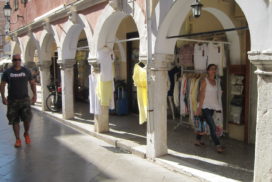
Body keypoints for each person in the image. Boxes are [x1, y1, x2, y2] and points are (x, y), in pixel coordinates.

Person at [0, 54, 37, 148]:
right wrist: (3, 97)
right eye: (15, 60)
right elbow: (3, 85)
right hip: (12, 101)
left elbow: (32, 83)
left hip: (24, 99)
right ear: (12, 61)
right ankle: (18, 139)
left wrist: (35, 95)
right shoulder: (7, 72)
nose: (17, 61)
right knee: (14, 121)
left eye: (19, 59)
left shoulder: (26, 71)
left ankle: (26, 133)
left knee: (27, 119)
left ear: (21, 60)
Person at [195, 64, 224, 153]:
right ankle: (218, 145)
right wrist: (199, 107)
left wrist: (217, 107)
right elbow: (201, 94)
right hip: (204, 107)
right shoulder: (205, 81)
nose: (213, 70)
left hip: (211, 107)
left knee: (202, 123)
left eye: (215, 69)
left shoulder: (216, 81)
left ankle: (197, 140)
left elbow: (215, 96)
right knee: (212, 126)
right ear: (208, 70)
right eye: (211, 69)